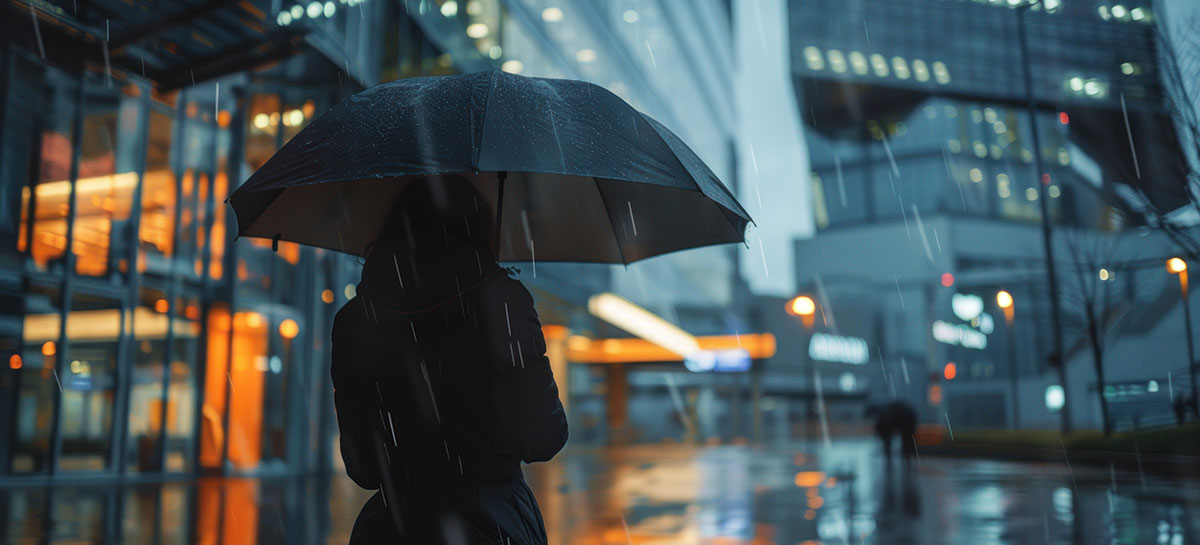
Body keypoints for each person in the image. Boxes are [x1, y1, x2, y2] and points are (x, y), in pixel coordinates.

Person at [332, 175, 568, 544]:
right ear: (479, 230)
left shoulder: (356, 320)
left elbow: (362, 466)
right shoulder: (501, 303)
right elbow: (545, 437)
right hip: (493, 525)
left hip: (391, 530)